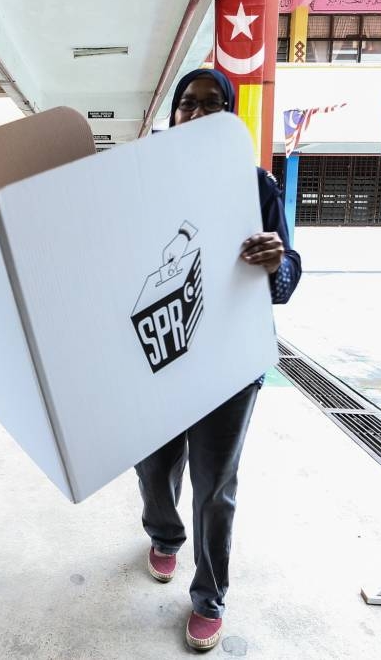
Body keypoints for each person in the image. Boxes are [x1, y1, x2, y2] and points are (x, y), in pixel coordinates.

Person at [134, 68, 301, 652]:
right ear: (173, 115)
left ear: (230, 116)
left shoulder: (257, 187)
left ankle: (209, 596)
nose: (198, 113)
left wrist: (276, 260)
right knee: (154, 466)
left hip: (229, 362)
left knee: (214, 486)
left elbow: (287, 275)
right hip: (156, 354)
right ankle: (164, 534)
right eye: (188, 103)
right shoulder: (142, 185)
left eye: (212, 104)